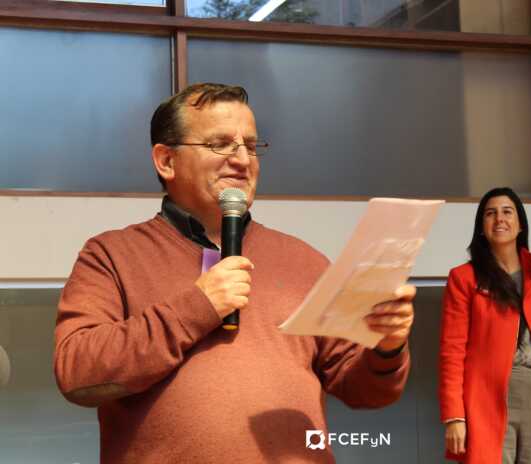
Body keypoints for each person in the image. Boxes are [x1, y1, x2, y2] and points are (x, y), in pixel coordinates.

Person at [54, 83, 415, 464]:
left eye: (251, 146)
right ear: (166, 161)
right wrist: (197, 307)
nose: (243, 160)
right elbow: (77, 372)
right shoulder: (111, 255)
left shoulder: (304, 261)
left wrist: (386, 345)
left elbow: (366, 391)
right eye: (220, 144)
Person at [439, 187, 531, 464]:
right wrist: (454, 416)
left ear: (520, 224)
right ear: (481, 227)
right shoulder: (464, 278)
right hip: (486, 396)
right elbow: (452, 350)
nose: (499, 219)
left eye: (507, 212)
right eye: (490, 213)